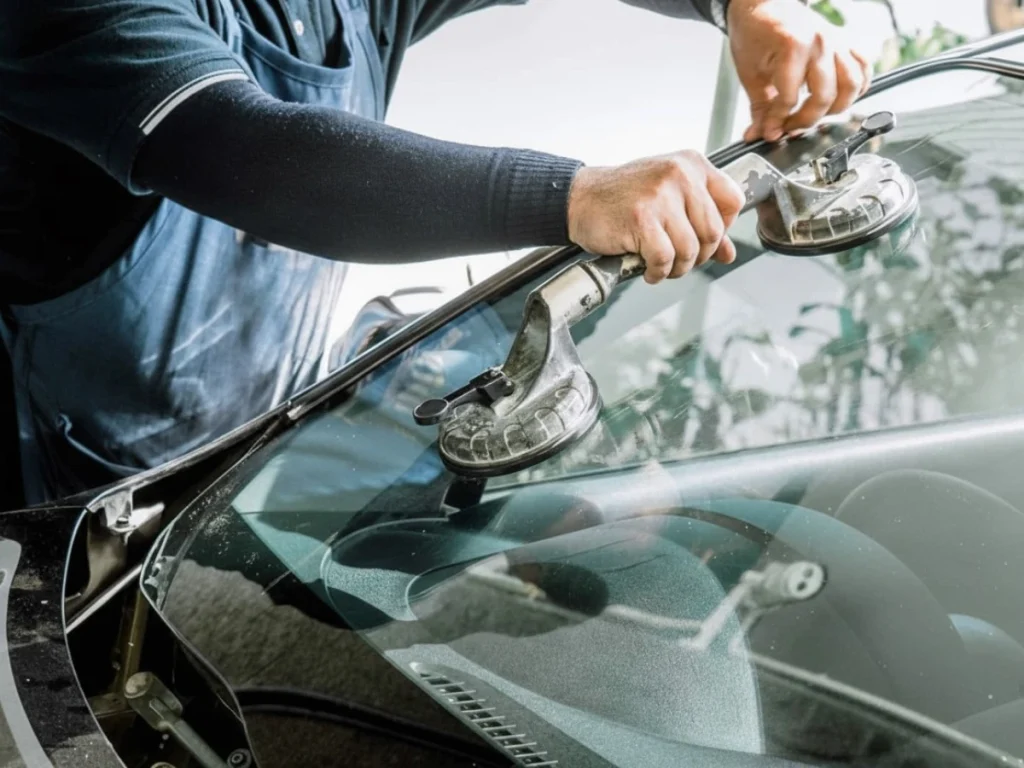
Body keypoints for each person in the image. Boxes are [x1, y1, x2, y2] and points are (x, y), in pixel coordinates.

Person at [0, 0, 871, 504]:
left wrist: (743, 5)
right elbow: (252, 156)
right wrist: (574, 195)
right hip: (82, 491)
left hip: (271, 412)